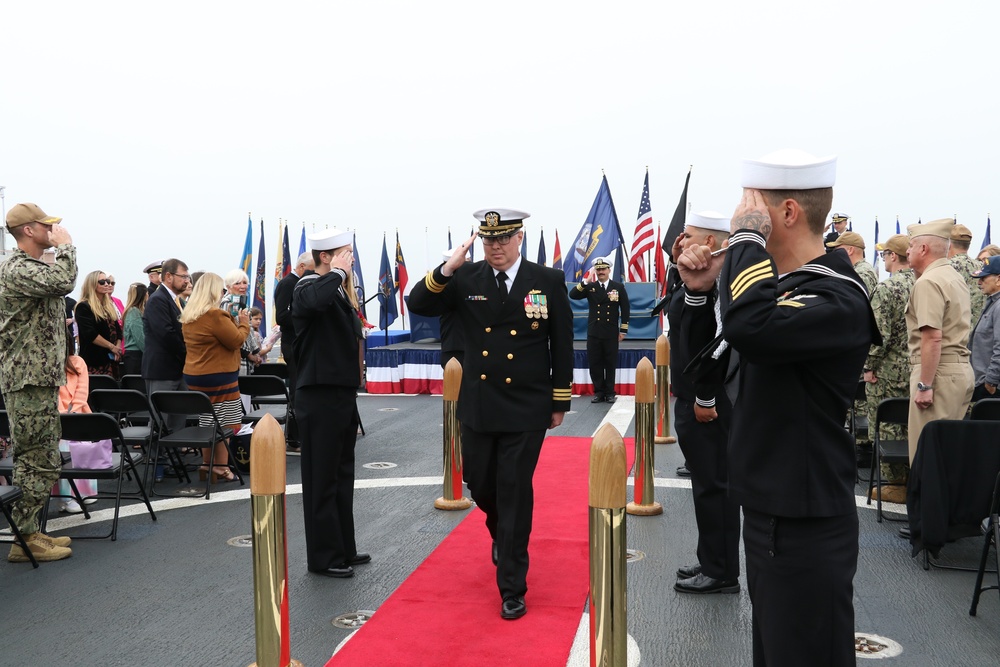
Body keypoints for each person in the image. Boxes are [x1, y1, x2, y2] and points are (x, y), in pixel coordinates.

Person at [678, 150, 879, 666]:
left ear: (787, 213)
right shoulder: (778, 293)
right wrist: (701, 295)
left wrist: (743, 241)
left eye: (752, 209)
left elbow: (754, 328)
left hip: (806, 518)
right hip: (770, 506)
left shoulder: (837, 297)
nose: (739, 220)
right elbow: (711, 365)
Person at [408, 208, 574, 621]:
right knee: (481, 483)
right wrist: (448, 267)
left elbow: (562, 343)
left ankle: (513, 585)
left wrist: (559, 401)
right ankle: (501, 529)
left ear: (519, 238)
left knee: (515, 488)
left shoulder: (547, 280)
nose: (495, 248)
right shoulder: (466, 277)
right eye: (487, 240)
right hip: (479, 402)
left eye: (502, 240)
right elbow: (419, 303)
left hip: (526, 404)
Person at [665, 210, 740, 595]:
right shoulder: (698, 274)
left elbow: (714, 345)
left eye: (689, 234)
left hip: (704, 401)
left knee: (715, 485)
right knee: (705, 483)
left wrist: (704, 397)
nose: (681, 239)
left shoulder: (715, 282)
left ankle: (722, 570)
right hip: (692, 395)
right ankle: (713, 558)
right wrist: (677, 253)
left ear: (710, 244)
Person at [0, 202, 78, 563]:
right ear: (28, 230)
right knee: (36, 458)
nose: (53, 230)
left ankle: (31, 531)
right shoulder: (17, 268)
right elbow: (64, 281)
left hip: (38, 378)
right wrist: (67, 246)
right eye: (46, 226)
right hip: (27, 380)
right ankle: (24, 538)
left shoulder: (29, 269)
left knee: (40, 455)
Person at [292, 228, 369, 579]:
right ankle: (323, 557)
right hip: (319, 392)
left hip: (340, 391)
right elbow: (311, 303)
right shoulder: (308, 285)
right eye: (344, 253)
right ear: (325, 257)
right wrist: (337, 272)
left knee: (341, 474)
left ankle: (343, 547)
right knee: (321, 477)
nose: (350, 259)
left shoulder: (337, 291)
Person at [904, 220, 974, 463]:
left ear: (923, 249)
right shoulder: (952, 277)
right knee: (947, 459)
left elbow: (932, 337)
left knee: (927, 461)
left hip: (937, 373)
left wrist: (925, 385)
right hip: (957, 370)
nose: (907, 251)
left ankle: (928, 503)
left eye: (911, 246)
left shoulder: (928, 282)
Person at [179, 272, 249, 482]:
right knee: (228, 422)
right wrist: (244, 322)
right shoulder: (215, 315)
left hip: (195, 375)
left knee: (209, 420)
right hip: (219, 375)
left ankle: (206, 465)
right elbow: (236, 341)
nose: (223, 293)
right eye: (221, 290)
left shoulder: (189, 315)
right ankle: (221, 467)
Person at [864, 234, 915, 504]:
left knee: (885, 426)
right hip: (917, 368)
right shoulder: (922, 282)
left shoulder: (888, 288)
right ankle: (913, 479)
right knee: (911, 425)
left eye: (884, 254)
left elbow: (877, 335)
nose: (883, 258)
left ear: (893, 256)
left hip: (887, 371)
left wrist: (868, 366)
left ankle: (895, 484)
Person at [570, 256, 629, 403]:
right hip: (594, 331)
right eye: (598, 269)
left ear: (609, 270)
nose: (601, 271)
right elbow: (573, 295)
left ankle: (609, 392)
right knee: (595, 362)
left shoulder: (618, 287)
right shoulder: (590, 287)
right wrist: (585, 282)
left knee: (610, 363)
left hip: (610, 332)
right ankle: (599, 392)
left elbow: (626, 309)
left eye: (603, 269)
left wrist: (623, 330)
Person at [274, 251, 316, 453]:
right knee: (297, 391)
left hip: (301, 343)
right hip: (292, 344)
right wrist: (304, 318)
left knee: (303, 389)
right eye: (311, 269)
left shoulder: (298, 282)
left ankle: (302, 434)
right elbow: (282, 316)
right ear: (301, 267)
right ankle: (294, 438)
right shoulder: (288, 284)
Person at [142, 258, 190, 432]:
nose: (187, 280)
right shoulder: (158, 299)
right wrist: (188, 353)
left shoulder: (174, 300)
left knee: (178, 416)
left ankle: (174, 455)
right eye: (183, 276)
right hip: (162, 370)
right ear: (168, 276)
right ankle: (157, 457)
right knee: (160, 419)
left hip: (176, 368)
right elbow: (166, 334)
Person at [56, 335, 97, 514]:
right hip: (57, 418)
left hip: (78, 414)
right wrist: (62, 415)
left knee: (78, 445)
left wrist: (70, 412)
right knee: (64, 446)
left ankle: (85, 492)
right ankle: (68, 498)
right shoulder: (45, 364)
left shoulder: (78, 362)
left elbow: (82, 393)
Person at [75, 270, 123, 378]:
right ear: (92, 284)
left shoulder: (108, 306)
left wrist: (117, 349)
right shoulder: (84, 307)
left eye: (107, 281)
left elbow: (118, 330)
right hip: (94, 361)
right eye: (102, 282)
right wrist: (111, 347)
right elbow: (90, 334)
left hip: (112, 361)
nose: (107, 284)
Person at [968, 256, 1000, 402]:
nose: (979, 282)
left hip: (991, 388)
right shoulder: (993, 303)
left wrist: (991, 381)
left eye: (984, 278)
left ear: (998, 279)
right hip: (983, 384)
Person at [948, 223, 985, 327]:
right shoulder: (983, 267)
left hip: (957, 333)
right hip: (982, 332)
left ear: (949, 245)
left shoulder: (947, 268)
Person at [826, 230, 877, 295]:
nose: (836, 254)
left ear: (850, 250)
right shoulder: (860, 269)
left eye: (837, 250)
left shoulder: (861, 274)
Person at [121, 282, 148, 376]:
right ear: (144, 295)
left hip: (136, 355)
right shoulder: (134, 312)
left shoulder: (136, 311)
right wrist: (150, 353)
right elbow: (139, 337)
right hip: (136, 356)